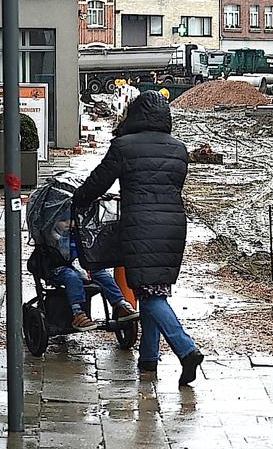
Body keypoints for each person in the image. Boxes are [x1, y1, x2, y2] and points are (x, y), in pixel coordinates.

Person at [73, 90, 204, 386]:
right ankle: (148, 360)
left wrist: (77, 201)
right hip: (173, 226)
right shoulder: (179, 149)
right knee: (152, 289)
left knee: (150, 293)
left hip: (139, 225)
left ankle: (186, 349)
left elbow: (97, 182)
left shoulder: (124, 146)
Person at [45, 208, 139, 332]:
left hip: (83, 265)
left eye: (71, 220)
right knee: (72, 277)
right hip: (60, 267)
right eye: (63, 221)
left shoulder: (79, 234)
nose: (69, 223)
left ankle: (120, 303)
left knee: (102, 274)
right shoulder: (53, 236)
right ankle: (77, 312)